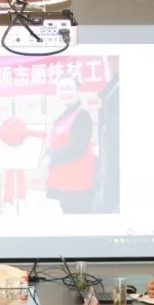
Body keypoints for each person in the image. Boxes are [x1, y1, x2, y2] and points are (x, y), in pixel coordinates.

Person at [43, 74, 96, 214]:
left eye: (69, 88)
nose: (64, 93)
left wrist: (51, 158)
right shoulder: (64, 116)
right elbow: (54, 143)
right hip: (63, 182)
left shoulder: (82, 116)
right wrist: (47, 153)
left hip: (78, 185)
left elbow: (77, 149)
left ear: (77, 91)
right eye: (61, 89)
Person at [94, 55, 120, 214]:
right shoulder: (112, 87)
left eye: (113, 59)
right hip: (109, 147)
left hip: (117, 149)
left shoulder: (120, 88)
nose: (110, 64)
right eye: (108, 60)